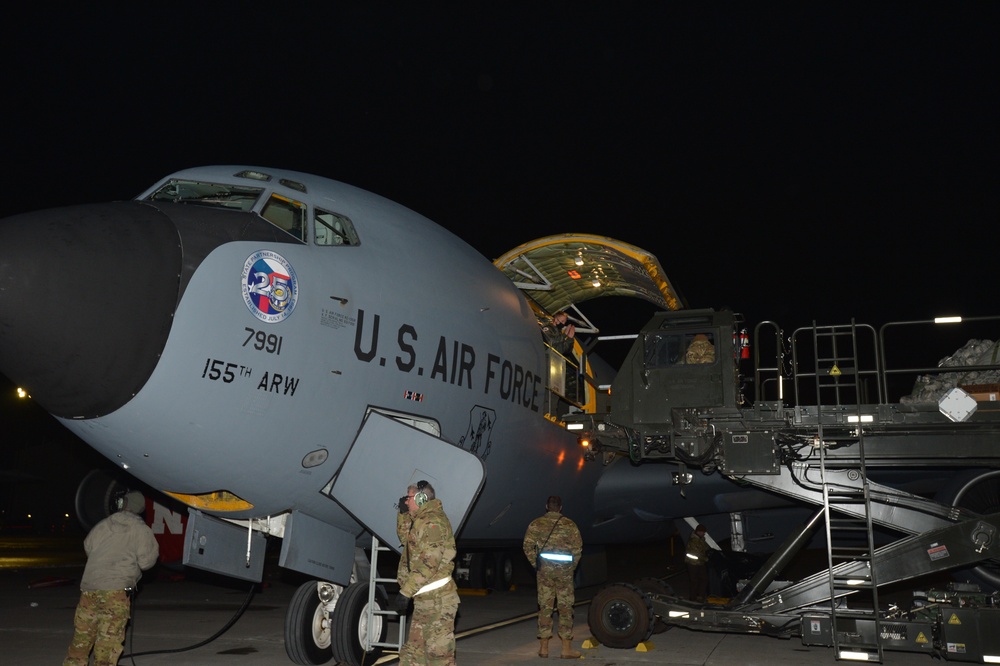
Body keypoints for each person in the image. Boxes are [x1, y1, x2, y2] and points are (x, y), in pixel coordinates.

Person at [64, 490, 159, 666]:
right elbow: (146, 562)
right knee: (106, 647)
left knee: (80, 643)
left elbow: (88, 546)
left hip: (90, 589)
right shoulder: (140, 530)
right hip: (115, 593)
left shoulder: (103, 524)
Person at [394, 480, 460, 666]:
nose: (405, 501)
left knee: (438, 658)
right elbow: (405, 539)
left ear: (421, 498)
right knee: (412, 657)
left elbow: (429, 563)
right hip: (425, 600)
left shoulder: (433, 522)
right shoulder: (421, 520)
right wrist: (403, 514)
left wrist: (405, 591)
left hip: (438, 603)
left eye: (408, 498)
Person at [522, 495, 583, 659]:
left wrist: (537, 565)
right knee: (565, 608)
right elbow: (577, 549)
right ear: (561, 507)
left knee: (545, 607)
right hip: (564, 574)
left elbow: (527, 546)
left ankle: (543, 648)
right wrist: (570, 568)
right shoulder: (570, 525)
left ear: (546, 506)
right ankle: (566, 649)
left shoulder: (536, 524)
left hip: (545, 573)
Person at [685, 524, 710, 603]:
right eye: (703, 532)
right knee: (694, 581)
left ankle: (700, 596)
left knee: (704, 579)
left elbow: (705, 548)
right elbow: (698, 553)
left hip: (699, 563)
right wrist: (706, 558)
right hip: (692, 563)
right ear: (699, 532)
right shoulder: (694, 541)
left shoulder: (701, 539)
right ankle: (693, 598)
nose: (704, 533)